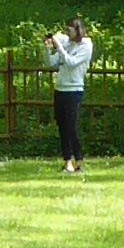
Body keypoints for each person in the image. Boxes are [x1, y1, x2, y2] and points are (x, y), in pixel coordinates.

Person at [42, 17, 99, 175]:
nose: (67, 33)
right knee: (62, 126)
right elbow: (52, 62)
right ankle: (67, 162)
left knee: (71, 126)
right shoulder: (68, 44)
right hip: (60, 89)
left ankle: (79, 160)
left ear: (78, 29)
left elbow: (72, 62)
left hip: (74, 90)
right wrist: (48, 48)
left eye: (70, 30)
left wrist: (60, 46)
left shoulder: (86, 45)